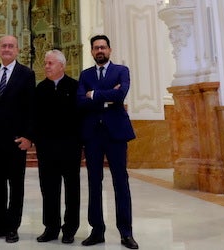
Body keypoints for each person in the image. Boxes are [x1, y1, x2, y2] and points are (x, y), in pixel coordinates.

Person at [77, 35, 139, 249]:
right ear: (92, 52)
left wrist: (94, 94)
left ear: (110, 50)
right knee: (94, 183)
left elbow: (121, 94)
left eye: (103, 47)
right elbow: (80, 101)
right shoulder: (85, 74)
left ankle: (126, 232)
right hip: (93, 134)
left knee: (121, 182)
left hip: (116, 134)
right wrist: (107, 95)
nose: (99, 50)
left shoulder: (121, 71)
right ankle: (97, 231)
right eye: (96, 48)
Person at [0, 35, 36, 243]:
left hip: (16, 140)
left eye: (11, 46)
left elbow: (31, 108)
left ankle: (13, 226)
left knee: (16, 185)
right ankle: (0, 224)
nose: (7, 49)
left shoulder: (27, 74)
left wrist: (29, 136)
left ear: (17, 50)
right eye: (3, 46)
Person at [32, 49, 82, 244]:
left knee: (72, 190)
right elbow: (35, 118)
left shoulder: (75, 87)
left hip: (70, 148)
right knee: (49, 189)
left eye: (50, 63)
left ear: (62, 65)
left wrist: (79, 143)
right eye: (45, 63)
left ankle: (70, 229)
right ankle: (51, 227)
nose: (46, 66)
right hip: (47, 149)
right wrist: (39, 141)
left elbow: (80, 118)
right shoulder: (41, 88)